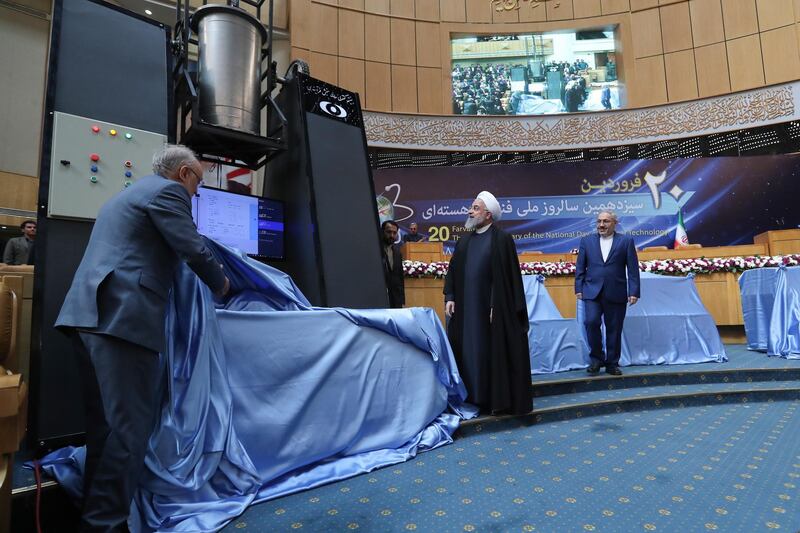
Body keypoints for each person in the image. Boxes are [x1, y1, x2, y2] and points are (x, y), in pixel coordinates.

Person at [55, 144, 230, 532]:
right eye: (198, 183)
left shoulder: (127, 195)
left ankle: (96, 520)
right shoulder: (167, 193)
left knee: (107, 430)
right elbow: (192, 248)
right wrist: (223, 283)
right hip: (122, 319)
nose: (196, 192)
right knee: (127, 433)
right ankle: (107, 524)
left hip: (90, 315)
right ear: (184, 173)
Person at [444, 191, 531, 415]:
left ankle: (492, 399)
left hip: (491, 313)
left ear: (488, 215)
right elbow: (452, 271)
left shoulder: (501, 240)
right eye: (471, 207)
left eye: (475, 208)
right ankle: (470, 396)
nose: (469, 211)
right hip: (465, 311)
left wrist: (497, 305)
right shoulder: (463, 241)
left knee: (488, 354)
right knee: (467, 353)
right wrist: (450, 296)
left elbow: (505, 279)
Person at [575, 210, 640, 376]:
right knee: (591, 322)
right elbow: (580, 267)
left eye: (606, 221)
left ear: (615, 223)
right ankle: (596, 359)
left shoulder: (626, 241)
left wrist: (634, 291)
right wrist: (578, 288)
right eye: (599, 221)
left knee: (614, 328)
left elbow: (632, 270)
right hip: (591, 292)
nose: (601, 225)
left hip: (616, 291)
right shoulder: (587, 241)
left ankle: (612, 363)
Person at [381, 220, 405, 308]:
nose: (392, 235)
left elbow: (400, 278)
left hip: (395, 300)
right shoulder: (375, 249)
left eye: (394, 233)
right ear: (382, 232)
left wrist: (402, 300)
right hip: (379, 297)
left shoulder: (398, 253)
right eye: (389, 232)